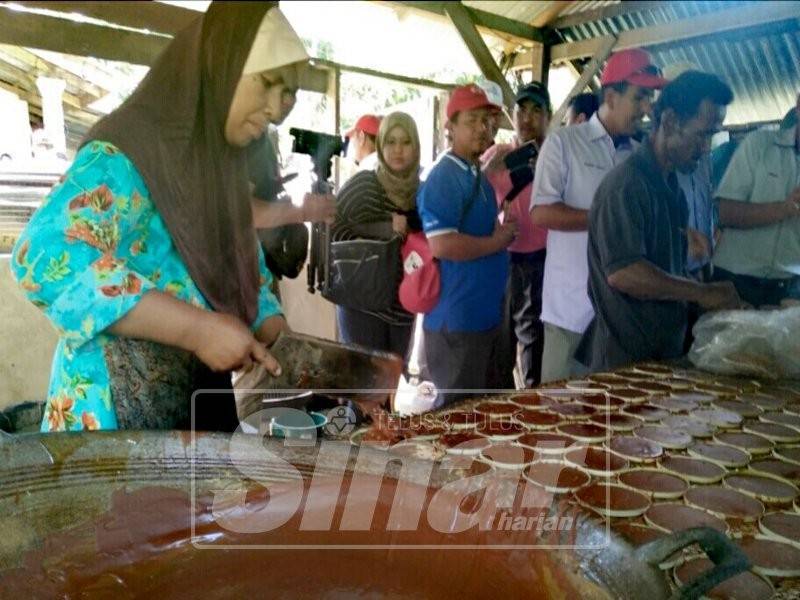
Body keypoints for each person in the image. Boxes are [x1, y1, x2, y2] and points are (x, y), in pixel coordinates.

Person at [10, 3, 304, 432]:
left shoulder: (217, 172)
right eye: (267, 84)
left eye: (287, 93)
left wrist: (277, 331)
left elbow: (243, 267)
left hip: (193, 407)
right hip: (111, 416)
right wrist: (198, 331)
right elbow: (42, 255)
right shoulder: (128, 155)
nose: (277, 109)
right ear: (219, 67)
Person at [576, 71, 745, 372]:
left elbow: (669, 270)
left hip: (662, 356)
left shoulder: (671, 187)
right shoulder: (626, 184)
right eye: (702, 134)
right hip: (624, 366)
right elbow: (625, 273)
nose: (706, 148)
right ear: (669, 122)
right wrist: (701, 293)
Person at [531, 48, 667, 383]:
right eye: (640, 97)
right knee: (559, 416)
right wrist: (604, 218)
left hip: (621, 317)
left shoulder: (637, 157)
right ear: (611, 96)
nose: (647, 108)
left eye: (650, 98)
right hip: (572, 312)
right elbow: (541, 212)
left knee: (611, 416)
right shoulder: (564, 143)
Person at [417, 84, 516, 406]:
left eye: (487, 121)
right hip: (457, 322)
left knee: (480, 415)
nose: (483, 128)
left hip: (480, 317)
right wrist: (496, 241)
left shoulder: (476, 174)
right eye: (472, 120)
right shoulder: (444, 176)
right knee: (455, 419)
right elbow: (442, 245)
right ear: (451, 127)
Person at [331, 112, 421, 358]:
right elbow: (332, 231)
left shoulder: (422, 194)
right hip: (361, 306)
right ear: (380, 144)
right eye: (390, 141)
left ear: (416, 146)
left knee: (390, 384)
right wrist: (383, 229)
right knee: (363, 388)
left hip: (402, 308)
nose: (398, 150)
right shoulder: (363, 186)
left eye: (406, 142)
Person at [482, 82, 551, 387]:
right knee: (501, 338)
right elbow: (473, 199)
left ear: (548, 116)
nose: (527, 117)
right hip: (503, 257)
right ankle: (500, 409)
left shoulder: (556, 155)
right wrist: (488, 170)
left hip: (544, 260)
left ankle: (532, 404)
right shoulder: (497, 153)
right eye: (522, 109)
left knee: (535, 337)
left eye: (536, 110)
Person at [711, 93, 800, 307]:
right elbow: (726, 213)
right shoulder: (759, 145)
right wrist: (786, 208)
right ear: (798, 106)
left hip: (788, 289)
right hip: (734, 279)